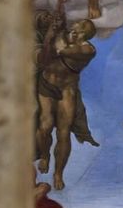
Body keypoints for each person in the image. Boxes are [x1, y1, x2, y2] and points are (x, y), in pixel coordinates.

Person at [35, 13, 99, 190]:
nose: (72, 34)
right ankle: (45, 155)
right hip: (46, 84)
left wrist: (54, 34)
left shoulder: (87, 50)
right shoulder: (62, 35)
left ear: (85, 37)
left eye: (77, 33)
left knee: (64, 133)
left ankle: (58, 173)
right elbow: (46, 54)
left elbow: (58, 51)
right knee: (45, 125)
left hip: (66, 90)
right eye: (72, 30)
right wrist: (52, 31)